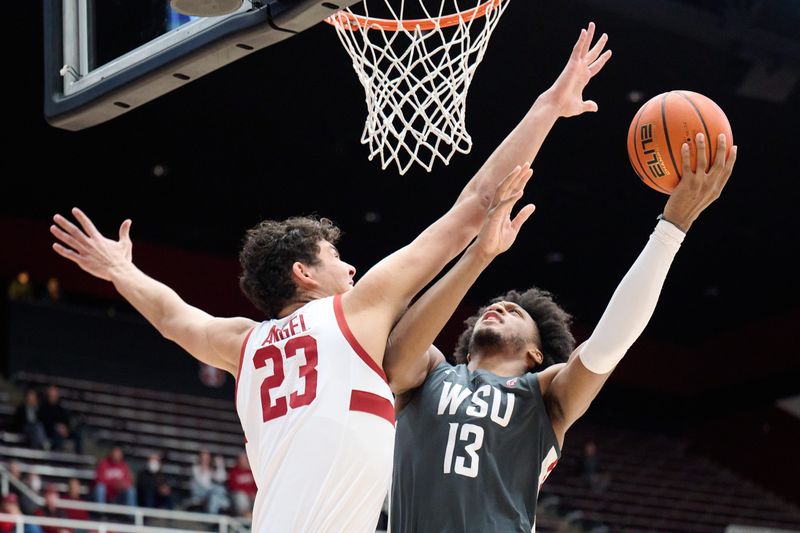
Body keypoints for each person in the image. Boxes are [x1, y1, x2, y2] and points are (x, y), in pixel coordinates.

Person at [49, 20, 608, 531]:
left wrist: (121, 271)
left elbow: (174, 317)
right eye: (336, 257)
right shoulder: (356, 312)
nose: (351, 266)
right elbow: (478, 202)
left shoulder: (245, 344)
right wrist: (546, 108)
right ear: (304, 273)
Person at [384, 123, 737, 531]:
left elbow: (606, 347)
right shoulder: (429, 374)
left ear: (536, 354)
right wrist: (478, 255)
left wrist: (672, 227)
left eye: (516, 314)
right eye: (494, 308)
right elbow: (397, 356)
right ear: (464, 350)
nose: (499, 306)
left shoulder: (544, 395)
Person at [38, 385, 82, 453]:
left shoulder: (61, 409)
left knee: (78, 433)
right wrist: (57, 427)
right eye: (51, 394)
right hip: (49, 433)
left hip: (63, 432)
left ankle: (79, 456)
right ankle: (57, 453)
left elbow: (66, 421)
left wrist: (66, 429)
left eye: (54, 394)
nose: (53, 396)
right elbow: (44, 423)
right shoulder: (43, 408)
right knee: (57, 434)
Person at [227, 452, 257, 517]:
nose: (243, 461)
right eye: (241, 459)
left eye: (244, 459)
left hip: (251, 496)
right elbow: (233, 486)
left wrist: (253, 494)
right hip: (239, 496)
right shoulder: (233, 472)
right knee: (241, 497)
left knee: (257, 498)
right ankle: (245, 518)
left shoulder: (251, 472)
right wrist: (247, 493)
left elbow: (255, 486)